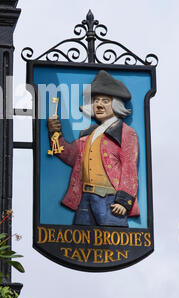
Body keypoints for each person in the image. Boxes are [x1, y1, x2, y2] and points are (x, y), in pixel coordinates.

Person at [47, 70, 139, 227]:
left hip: (110, 200)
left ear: (116, 104)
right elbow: (70, 155)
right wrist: (55, 133)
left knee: (114, 245)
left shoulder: (126, 133)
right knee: (80, 243)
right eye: (96, 100)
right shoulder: (89, 134)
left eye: (105, 100)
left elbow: (129, 169)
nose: (99, 104)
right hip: (85, 198)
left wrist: (123, 201)